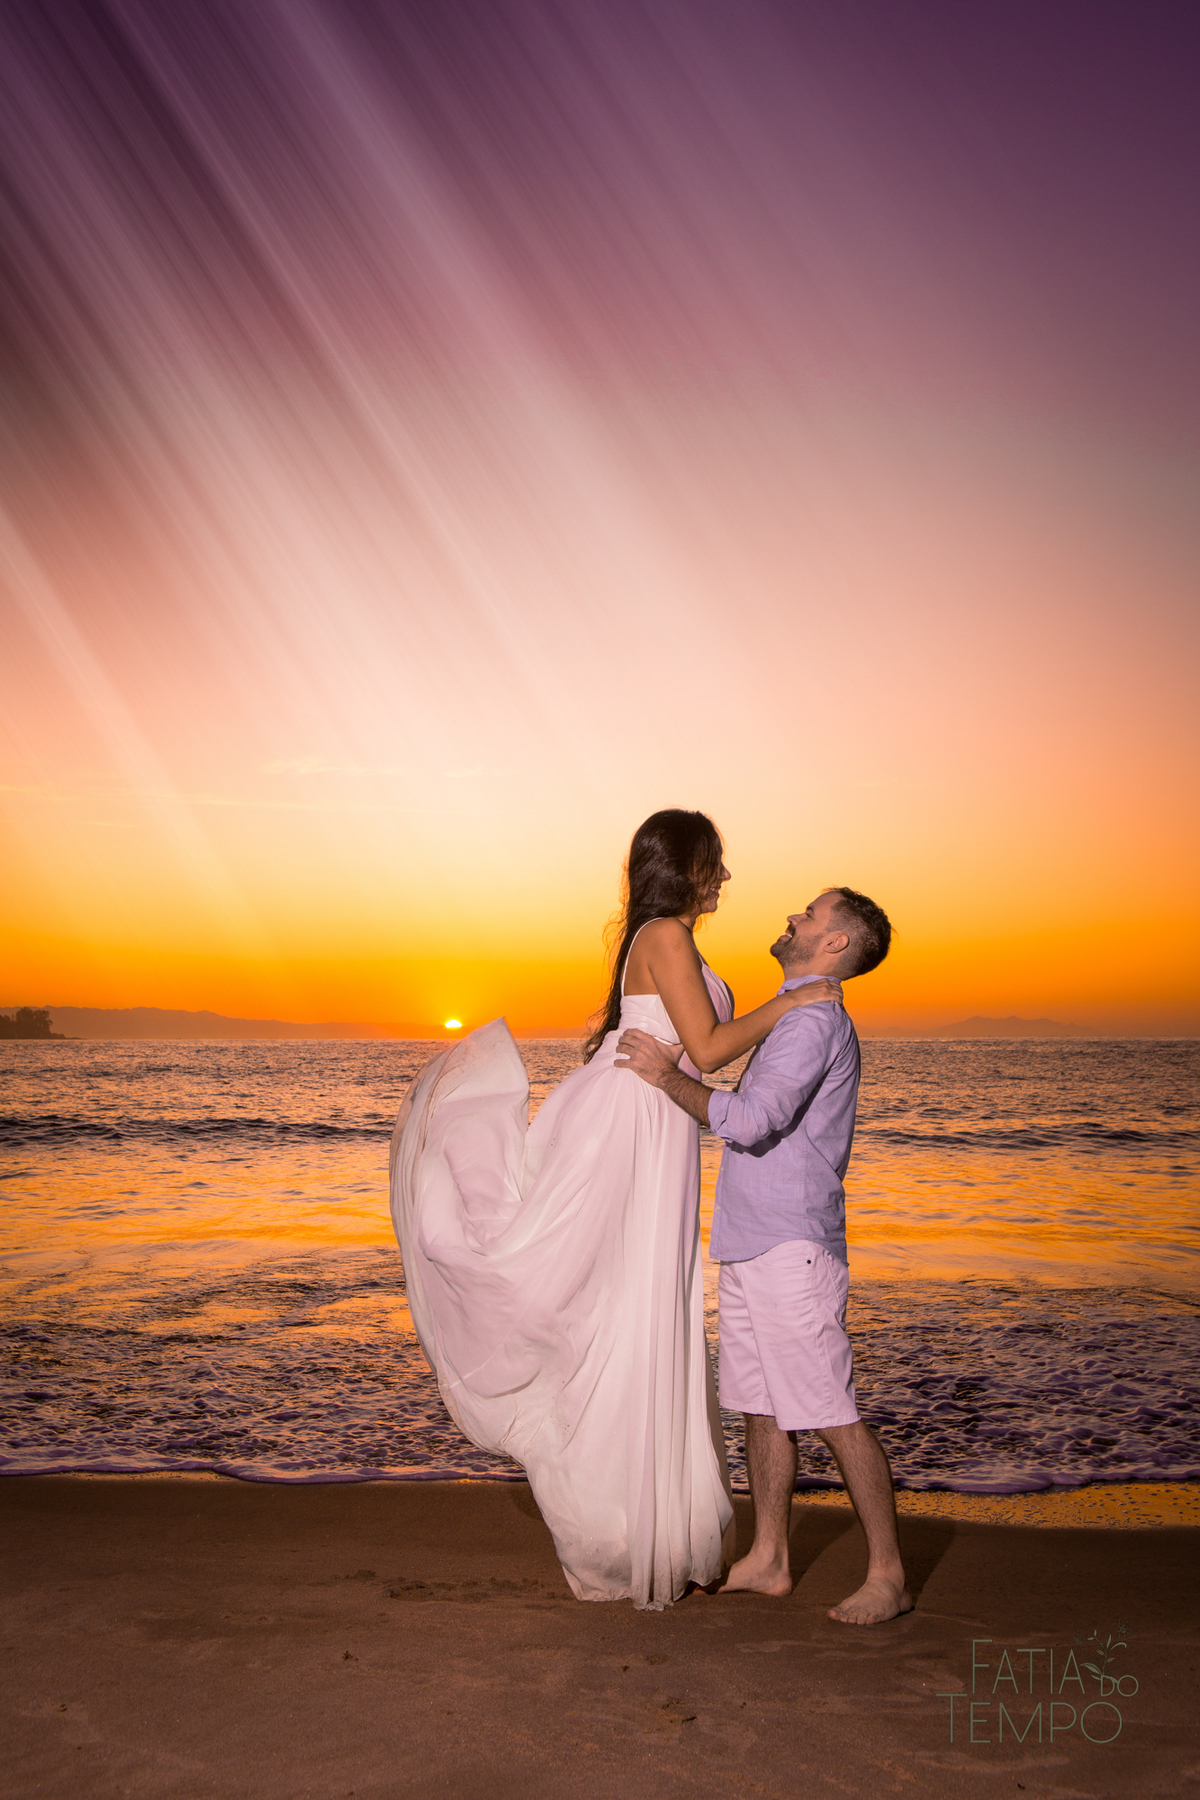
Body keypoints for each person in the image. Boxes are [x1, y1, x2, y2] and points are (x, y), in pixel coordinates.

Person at [389, 810, 840, 1610]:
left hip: (656, 1128)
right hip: (633, 1128)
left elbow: (678, 1041)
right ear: (685, 867)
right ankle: (628, 1528)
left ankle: (647, 1528)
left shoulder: (670, 942)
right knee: (614, 1308)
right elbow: (705, 1050)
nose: (726, 878)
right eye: (716, 864)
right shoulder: (663, 934)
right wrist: (801, 1000)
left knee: (639, 1311)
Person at [616, 886, 913, 1626]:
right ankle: (770, 1556)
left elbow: (751, 1121)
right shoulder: (791, 1015)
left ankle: (888, 1575)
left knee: (829, 1406)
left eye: (811, 915)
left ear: (836, 944)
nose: (794, 917)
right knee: (757, 1402)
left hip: (792, 1243)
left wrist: (667, 1077)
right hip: (752, 1237)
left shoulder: (814, 1020)